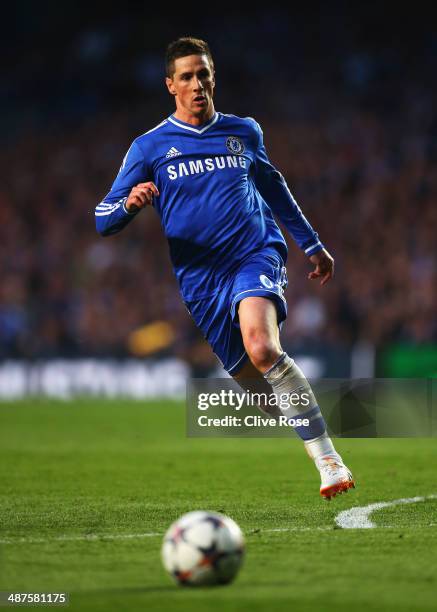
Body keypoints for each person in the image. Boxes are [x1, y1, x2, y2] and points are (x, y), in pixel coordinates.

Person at [95, 37, 354, 499]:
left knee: (262, 347)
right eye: (188, 77)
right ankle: (312, 412)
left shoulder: (243, 132)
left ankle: (328, 460)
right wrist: (129, 206)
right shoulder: (149, 147)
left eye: (204, 74)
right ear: (170, 85)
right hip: (199, 279)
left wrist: (312, 243)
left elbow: (274, 188)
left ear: (213, 77)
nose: (198, 84)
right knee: (260, 392)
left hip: (253, 253)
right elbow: (102, 218)